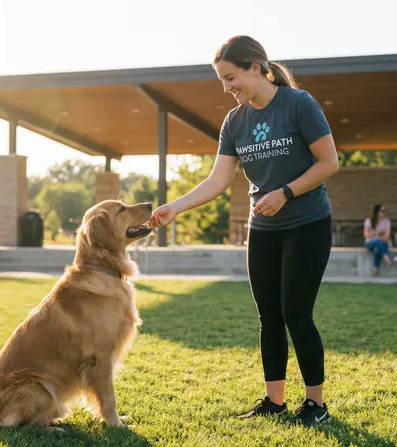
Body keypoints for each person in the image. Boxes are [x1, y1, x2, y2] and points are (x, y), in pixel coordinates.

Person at [149, 35, 340, 426]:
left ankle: (316, 406)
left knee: (296, 314)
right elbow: (218, 181)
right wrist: (175, 207)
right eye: (221, 80)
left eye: (230, 77)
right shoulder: (234, 121)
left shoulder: (299, 105)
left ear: (256, 68)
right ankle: (274, 401)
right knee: (269, 317)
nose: (226, 87)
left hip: (308, 224)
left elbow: (329, 163)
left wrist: (285, 193)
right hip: (264, 229)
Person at [364, 204, 392, 276]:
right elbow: (366, 235)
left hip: (382, 243)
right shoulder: (369, 221)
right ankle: (386, 257)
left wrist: (375, 235)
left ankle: (375, 269)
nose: (383, 213)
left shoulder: (387, 222)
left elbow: (387, 237)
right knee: (377, 240)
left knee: (378, 248)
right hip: (370, 243)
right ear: (376, 212)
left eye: (384, 211)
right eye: (381, 211)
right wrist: (378, 234)